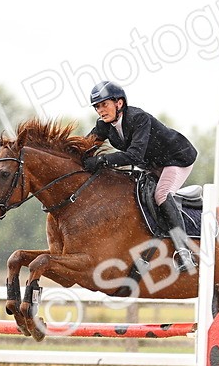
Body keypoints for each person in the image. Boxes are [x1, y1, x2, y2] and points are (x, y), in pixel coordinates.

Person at [82, 81, 199, 272]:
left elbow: (134, 156)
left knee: (161, 194)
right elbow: (85, 145)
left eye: (104, 104)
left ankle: (184, 251)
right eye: (97, 107)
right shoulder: (104, 125)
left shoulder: (138, 118)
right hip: (152, 165)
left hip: (176, 160)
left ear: (119, 103)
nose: (100, 110)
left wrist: (102, 160)